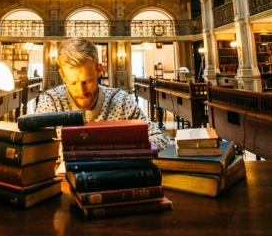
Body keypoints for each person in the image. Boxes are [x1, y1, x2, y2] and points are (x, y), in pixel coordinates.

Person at [35, 37, 171, 151]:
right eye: (73, 83)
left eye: (87, 81)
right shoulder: (51, 101)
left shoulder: (121, 101)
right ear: (63, 75)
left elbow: (161, 138)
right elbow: (34, 148)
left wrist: (121, 152)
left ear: (99, 70)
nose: (82, 91)